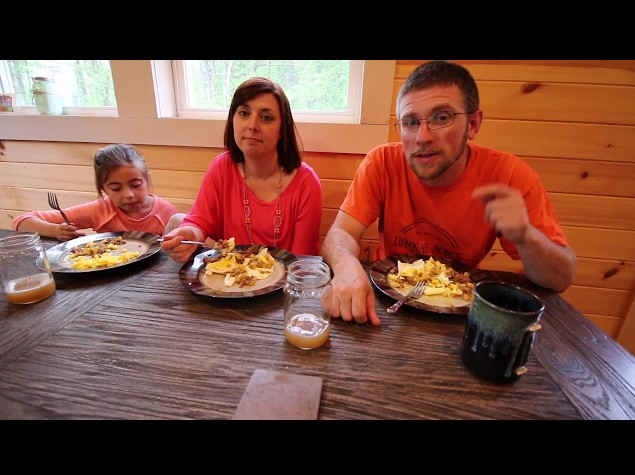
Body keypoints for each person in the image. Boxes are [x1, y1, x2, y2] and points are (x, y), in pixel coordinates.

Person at [321, 60, 577, 326]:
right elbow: (340, 235)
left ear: (474, 124)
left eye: (441, 118)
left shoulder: (510, 176)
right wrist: (346, 267)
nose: (422, 137)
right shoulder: (382, 162)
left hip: (457, 313)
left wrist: (527, 237)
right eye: (410, 122)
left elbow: (560, 279)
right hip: (385, 305)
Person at [162, 77, 323, 263]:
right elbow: (199, 222)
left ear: (281, 130)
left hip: (286, 284)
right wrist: (188, 235)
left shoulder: (306, 182)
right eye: (244, 113)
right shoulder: (221, 168)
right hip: (231, 284)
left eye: (266, 117)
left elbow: (302, 261)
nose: (252, 125)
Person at [12, 143, 181, 240]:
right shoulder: (99, 210)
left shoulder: (166, 212)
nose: (128, 194)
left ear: (147, 180)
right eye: (115, 188)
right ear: (103, 188)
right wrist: (55, 231)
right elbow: (21, 221)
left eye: (136, 185)